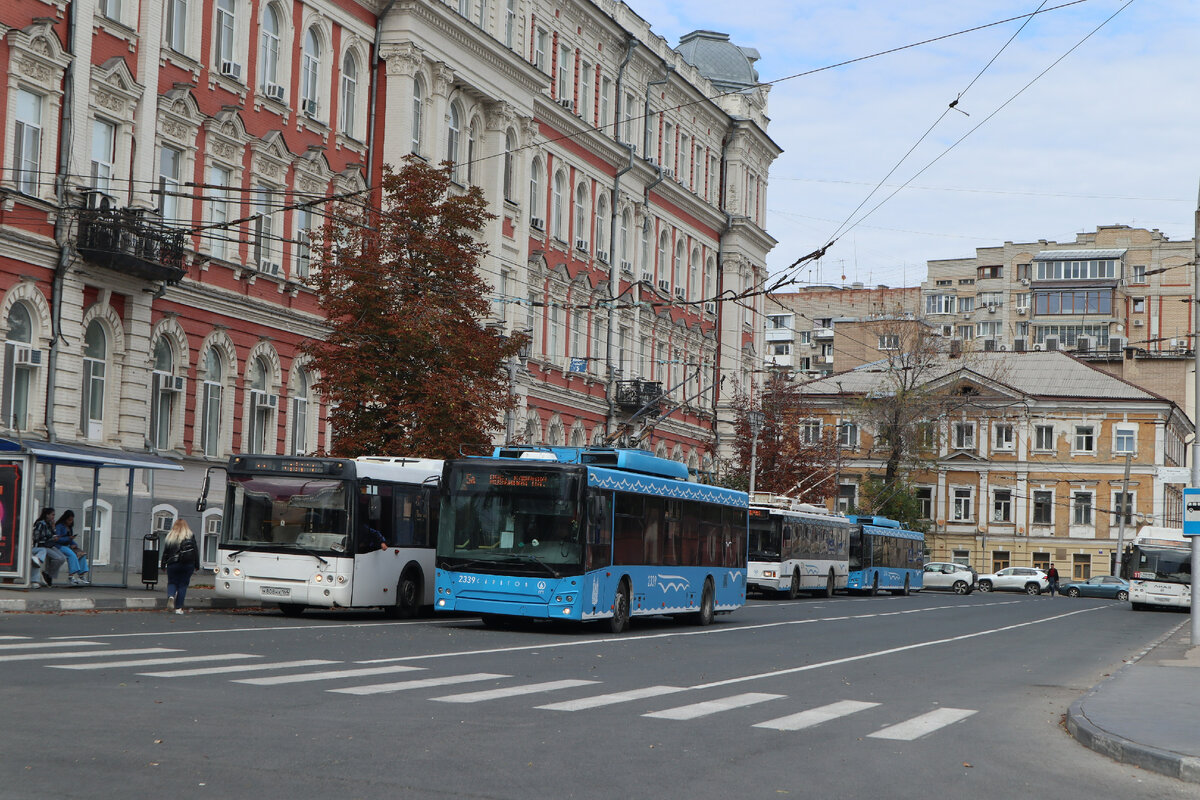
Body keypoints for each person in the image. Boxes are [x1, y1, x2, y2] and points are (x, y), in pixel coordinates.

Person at [160, 519, 200, 614]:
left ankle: (171, 596)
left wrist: (163, 565)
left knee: (172, 583)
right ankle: (178, 608)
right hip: (187, 564)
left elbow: (165, 552)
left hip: (172, 564)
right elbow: (195, 551)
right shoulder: (190, 535)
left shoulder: (170, 536)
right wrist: (197, 565)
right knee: (183, 585)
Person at [32, 507, 67, 587]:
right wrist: (51, 538)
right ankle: (48, 575)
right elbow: (37, 537)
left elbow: (52, 534)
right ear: (47, 515)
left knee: (62, 558)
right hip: (43, 545)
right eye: (52, 515)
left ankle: (48, 574)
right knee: (57, 558)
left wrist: (54, 528)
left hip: (50, 545)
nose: (53, 517)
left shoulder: (49, 524)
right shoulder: (40, 524)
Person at [54, 510, 90, 586]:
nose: (70, 522)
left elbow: (70, 539)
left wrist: (74, 544)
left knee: (82, 554)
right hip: (59, 546)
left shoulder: (69, 527)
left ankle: (81, 576)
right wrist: (68, 539)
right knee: (72, 555)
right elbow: (57, 539)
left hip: (68, 545)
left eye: (72, 520)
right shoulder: (59, 526)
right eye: (69, 520)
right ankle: (71, 577)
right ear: (65, 518)